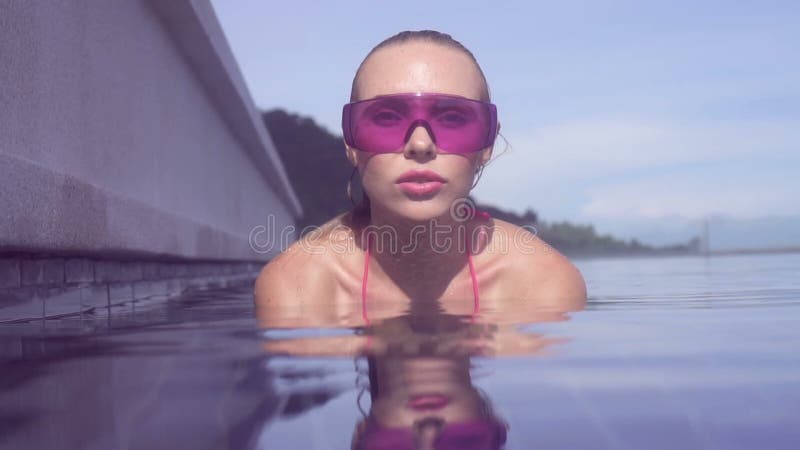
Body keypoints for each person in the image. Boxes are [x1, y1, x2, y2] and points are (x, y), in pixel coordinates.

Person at [255, 30, 586, 324]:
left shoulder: (545, 285)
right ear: (351, 143)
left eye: (453, 118)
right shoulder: (296, 289)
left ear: (487, 142)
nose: (420, 145)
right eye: (386, 117)